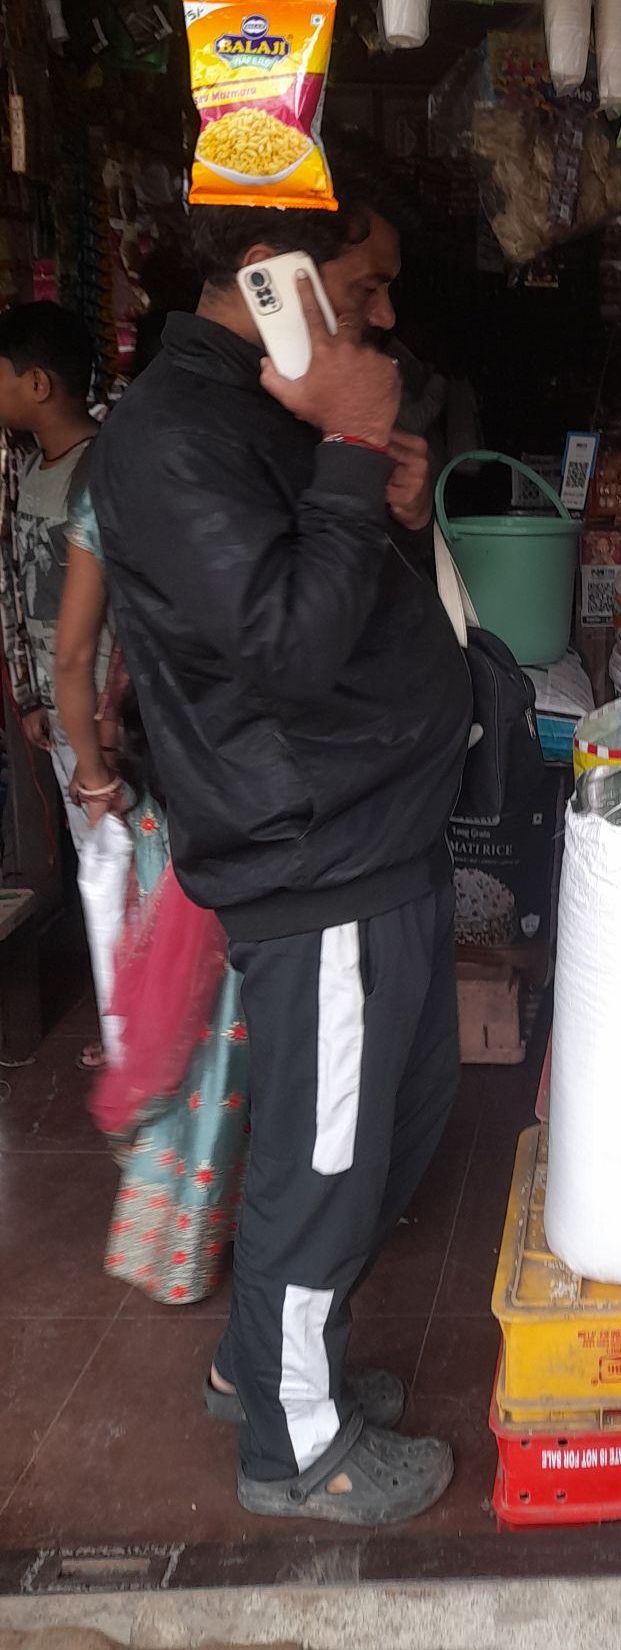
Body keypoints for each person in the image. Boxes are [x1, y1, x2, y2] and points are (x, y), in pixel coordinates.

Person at [89, 146, 473, 1527]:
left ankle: (265, 1362)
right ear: (273, 277)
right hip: (319, 855)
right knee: (325, 1164)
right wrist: (352, 452)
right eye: (366, 285)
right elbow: (288, 653)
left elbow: (333, 600)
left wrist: (389, 505)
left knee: (384, 1133)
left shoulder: (268, 405)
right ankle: (294, 1446)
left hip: (373, 835)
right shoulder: (170, 437)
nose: (384, 316)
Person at [53, 481, 249, 1306]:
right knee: (235, 1007)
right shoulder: (233, 455)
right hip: (241, 759)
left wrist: (94, 774)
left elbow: (72, 656)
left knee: (179, 1001)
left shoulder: (109, 485)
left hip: (155, 757)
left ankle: (180, 1238)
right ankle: (240, 1221)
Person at [0, 300, 129, 1063]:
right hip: (58, 711)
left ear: (38, 384)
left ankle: (136, 1037)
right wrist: (28, 694)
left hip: (105, 718)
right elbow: (14, 591)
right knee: (98, 867)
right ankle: (125, 1031)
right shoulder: (24, 471)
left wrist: (107, 722)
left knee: (124, 870)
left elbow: (131, 615)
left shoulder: (101, 472)